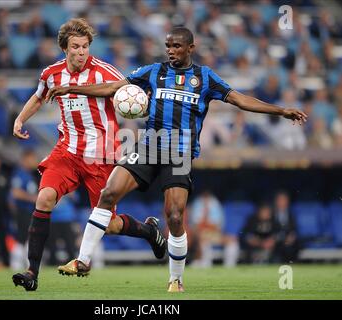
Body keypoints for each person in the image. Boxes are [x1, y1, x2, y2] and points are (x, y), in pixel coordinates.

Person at [46, 26, 307, 292]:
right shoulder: (153, 71)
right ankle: (82, 260)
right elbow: (113, 87)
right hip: (148, 147)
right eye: (168, 46)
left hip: (178, 153)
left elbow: (239, 99)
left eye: (177, 46)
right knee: (109, 192)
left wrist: (280, 110)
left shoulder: (205, 77)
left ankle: (176, 280)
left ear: (190, 48)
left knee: (173, 215)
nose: (171, 51)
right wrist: (71, 89)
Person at [11, 18, 166, 291]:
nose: (81, 52)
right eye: (75, 47)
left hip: (102, 156)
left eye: (85, 46)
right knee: (45, 197)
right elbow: (38, 97)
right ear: (64, 48)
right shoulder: (51, 74)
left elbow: (127, 90)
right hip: (67, 151)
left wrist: (138, 109)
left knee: (110, 225)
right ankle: (31, 272)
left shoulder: (104, 71)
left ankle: (149, 231)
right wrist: (20, 119)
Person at [272, 191, 300, 263]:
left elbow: (294, 229)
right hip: (275, 242)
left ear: (288, 202)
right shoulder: (270, 214)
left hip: (289, 243)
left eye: (284, 200)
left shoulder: (292, 215)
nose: (282, 202)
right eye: (280, 200)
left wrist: (291, 237)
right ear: (276, 201)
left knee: (291, 246)